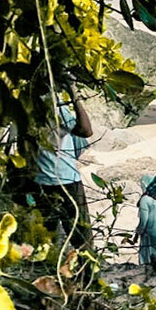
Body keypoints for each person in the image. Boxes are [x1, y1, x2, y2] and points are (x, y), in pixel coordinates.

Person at [33, 96, 95, 256]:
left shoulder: (25, 104)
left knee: (47, 238)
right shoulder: (54, 104)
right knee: (81, 238)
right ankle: (87, 275)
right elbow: (85, 130)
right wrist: (75, 97)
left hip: (40, 181)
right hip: (66, 179)